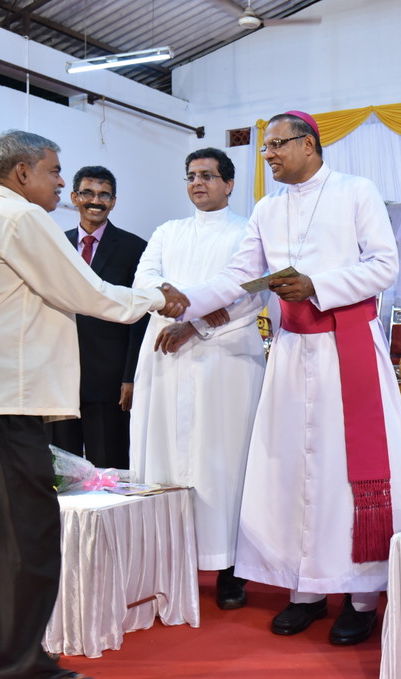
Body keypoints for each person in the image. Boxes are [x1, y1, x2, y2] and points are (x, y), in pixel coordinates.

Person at [0, 130, 188, 679]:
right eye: (55, 171)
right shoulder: (21, 218)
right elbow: (89, 292)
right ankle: (23, 666)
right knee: (26, 532)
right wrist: (158, 297)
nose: (62, 184)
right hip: (6, 397)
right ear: (22, 173)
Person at [179, 111, 401, 646]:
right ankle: (305, 589)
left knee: (344, 471)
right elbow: (240, 277)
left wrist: (317, 284)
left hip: (346, 348)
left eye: (276, 145)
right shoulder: (267, 208)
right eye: (265, 147)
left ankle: (361, 596)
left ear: (308, 145)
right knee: (292, 468)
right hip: (291, 353)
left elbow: (384, 266)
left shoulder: (356, 191)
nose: (267, 154)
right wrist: (185, 301)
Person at [130, 147, 266, 610]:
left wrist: (198, 322)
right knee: (164, 456)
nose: (197, 183)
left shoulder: (248, 231)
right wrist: (175, 301)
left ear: (229, 183)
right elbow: (144, 279)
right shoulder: (167, 232)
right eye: (190, 176)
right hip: (165, 357)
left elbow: (254, 292)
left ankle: (230, 568)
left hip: (225, 359)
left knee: (223, 460)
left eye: (208, 175)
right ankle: (169, 560)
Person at [50, 166, 148, 469]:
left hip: (109, 380)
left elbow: (140, 318)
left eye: (104, 195)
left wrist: (130, 376)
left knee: (109, 468)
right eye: (88, 193)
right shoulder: (54, 245)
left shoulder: (135, 248)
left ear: (113, 201)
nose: (96, 201)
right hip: (59, 375)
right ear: (74, 197)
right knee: (60, 468)